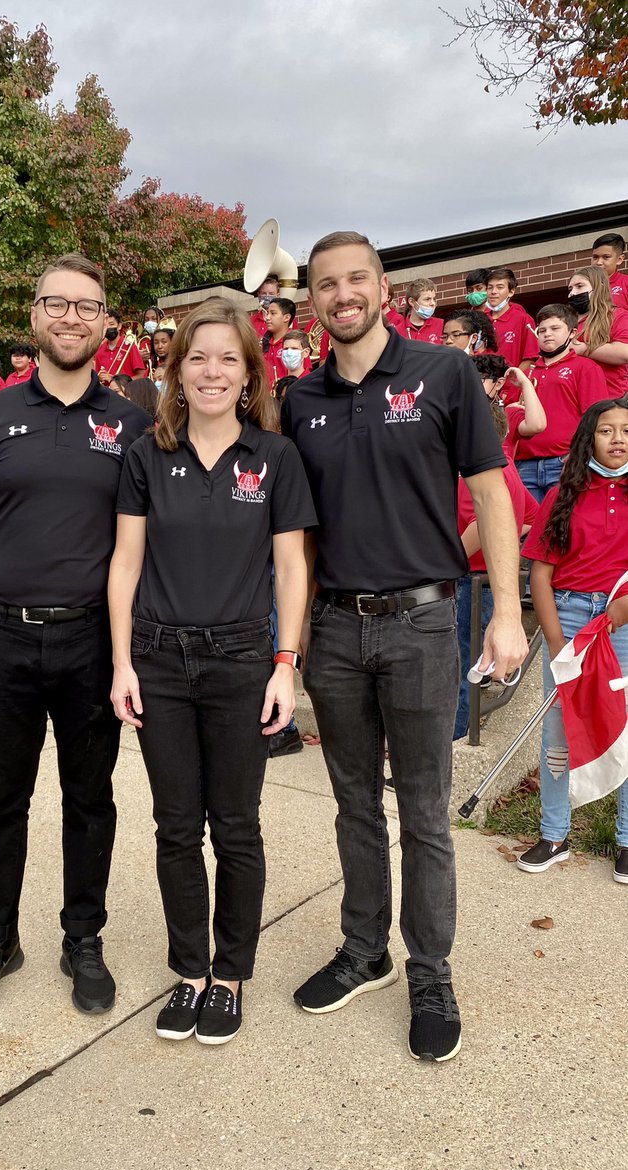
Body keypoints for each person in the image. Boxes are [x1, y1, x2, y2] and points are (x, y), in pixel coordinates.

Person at [283, 230, 527, 1063]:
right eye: (325, 284)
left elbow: (494, 494)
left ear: (384, 286)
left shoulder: (445, 373)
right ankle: (365, 950)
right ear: (311, 299)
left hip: (426, 621)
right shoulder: (297, 399)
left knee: (424, 812)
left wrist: (504, 613)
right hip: (336, 626)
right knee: (353, 803)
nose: (342, 294)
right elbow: (291, 532)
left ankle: (431, 969)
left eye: (356, 279)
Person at [0, 253, 152, 1015]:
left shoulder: (131, 425)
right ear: (34, 315)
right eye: (57, 303)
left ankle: (81, 937)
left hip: (90, 642)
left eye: (87, 306)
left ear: (104, 323)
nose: (70, 317)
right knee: (1, 801)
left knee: (91, 800)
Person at [109, 297, 314, 1044]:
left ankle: (228, 977)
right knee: (173, 827)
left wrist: (285, 663)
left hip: (239, 660)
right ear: (177, 369)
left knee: (235, 828)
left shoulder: (275, 458)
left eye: (229, 357)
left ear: (250, 373)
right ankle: (189, 972)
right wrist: (121, 662)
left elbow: (292, 568)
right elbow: (125, 565)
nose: (212, 370)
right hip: (158, 662)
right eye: (198, 357)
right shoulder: (145, 455)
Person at [518, 399, 628, 883]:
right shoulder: (566, 492)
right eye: (606, 430)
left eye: (627, 430)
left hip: (621, 623)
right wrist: (561, 642)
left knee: (626, 727)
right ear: (590, 437)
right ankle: (554, 833)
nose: (618, 438)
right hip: (568, 616)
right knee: (557, 729)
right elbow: (540, 575)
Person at [453, 359, 540, 740]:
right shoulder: (508, 468)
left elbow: (476, 523)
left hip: (471, 578)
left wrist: (450, 558)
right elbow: (530, 519)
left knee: (459, 666)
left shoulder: (482, 472)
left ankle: (455, 737)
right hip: (482, 578)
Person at [513, 304, 608, 503]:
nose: (547, 334)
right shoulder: (526, 373)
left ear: (572, 333)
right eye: (542, 330)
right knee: (527, 532)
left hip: (564, 462)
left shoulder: (586, 367)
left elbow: (596, 418)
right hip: (525, 464)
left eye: (555, 329)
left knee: (564, 528)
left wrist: (578, 456)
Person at [567, 264, 628, 399]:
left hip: (609, 399)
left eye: (580, 286)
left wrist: (583, 349)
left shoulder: (617, 315)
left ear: (598, 287)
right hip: (573, 398)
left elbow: (624, 352)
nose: (573, 293)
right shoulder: (566, 321)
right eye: (570, 288)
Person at [484, 267, 538, 370]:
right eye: (490, 287)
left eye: (500, 287)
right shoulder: (478, 320)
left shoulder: (524, 319)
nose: (493, 292)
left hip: (510, 384)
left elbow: (530, 359)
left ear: (511, 292)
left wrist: (511, 381)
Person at [95, 309, 146, 384]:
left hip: (127, 393)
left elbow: (141, 375)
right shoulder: (99, 350)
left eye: (111, 324)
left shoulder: (129, 346)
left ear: (119, 326)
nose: (108, 328)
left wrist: (115, 381)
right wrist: (99, 378)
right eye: (105, 325)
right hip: (107, 394)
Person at [397, 278, 444, 344]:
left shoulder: (441, 325)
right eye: (427, 299)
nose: (433, 303)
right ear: (411, 302)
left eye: (434, 299)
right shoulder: (397, 331)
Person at [590, 232, 628, 312]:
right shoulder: (583, 285)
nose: (599, 262)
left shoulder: (626, 283)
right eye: (595, 257)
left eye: (606, 257)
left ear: (619, 259)